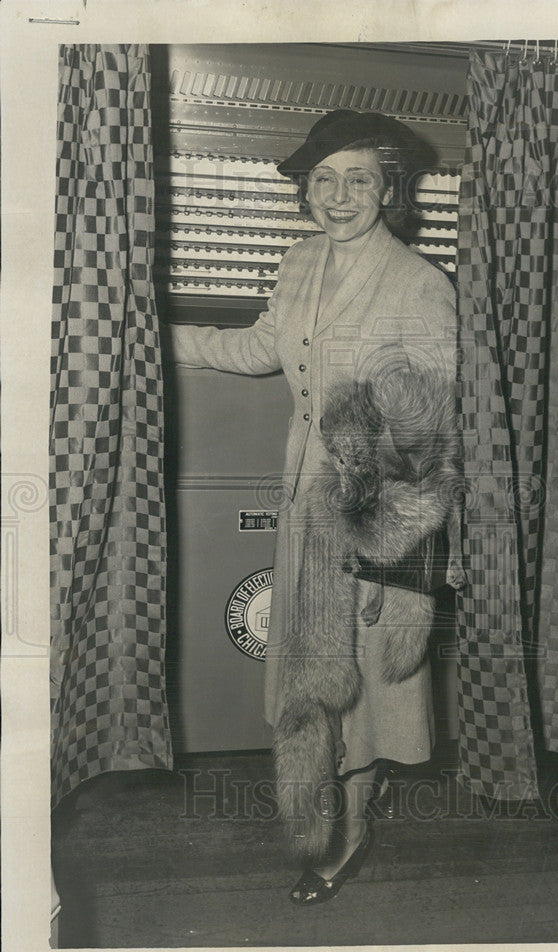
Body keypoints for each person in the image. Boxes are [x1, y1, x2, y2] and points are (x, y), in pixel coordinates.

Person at [167, 109, 460, 905]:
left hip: (371, 521)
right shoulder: (298, 262)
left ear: (389, 188)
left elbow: (425, 443)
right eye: (322, 179)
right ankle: (326, 805)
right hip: (303, 510)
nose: (338, 196)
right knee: (308, 674)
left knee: (364, 686)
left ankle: (353, 828)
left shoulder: (421, 287)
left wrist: (387, 571)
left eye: (357, 178)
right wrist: (156, 336)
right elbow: (264, 347)